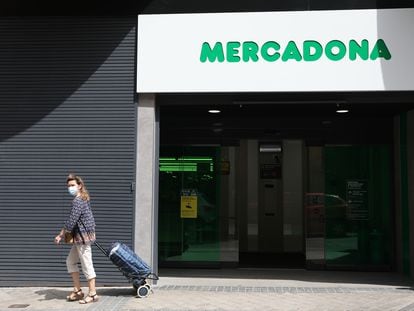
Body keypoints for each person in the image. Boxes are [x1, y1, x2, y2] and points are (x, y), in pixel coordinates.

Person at [54, 173, 99, 304]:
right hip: (79, 238)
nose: (70, 188)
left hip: (83, 239)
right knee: (70, 261)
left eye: (73, 185)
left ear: (79, 186)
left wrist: (60, 235)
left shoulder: (79, 200)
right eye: (68, 186)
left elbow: (71, 222)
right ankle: (78, 291)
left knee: (87, 265)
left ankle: (93, 293)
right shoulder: (81, 199)